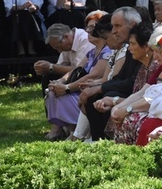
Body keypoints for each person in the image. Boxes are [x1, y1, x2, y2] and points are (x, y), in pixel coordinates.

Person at [44, 12, 112, 140]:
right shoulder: (92, 52)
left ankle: (78, 133)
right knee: (52, 92)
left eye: (92, 32)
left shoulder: (107, 51)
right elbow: (76, 70)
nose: (88, 34)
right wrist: (60, 82)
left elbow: (95, 74)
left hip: (92, 88)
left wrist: (67, 88)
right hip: (81, 87)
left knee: (62, 96)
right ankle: (70, 131)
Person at [97, 24, 162, 144]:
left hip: (156, 109)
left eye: (133, 44)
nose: (129, 48)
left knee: (130, 118)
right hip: (146, 106)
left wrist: (120, 105)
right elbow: (140, 93)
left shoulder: (156, 66)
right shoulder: (143, 67)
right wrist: (118, 106)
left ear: (145, 47)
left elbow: (149, 98)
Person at [81, 7, 143, 140]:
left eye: (117, 26)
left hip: (140, 91)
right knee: (95, 97)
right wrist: (98, 88)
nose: (114, 31)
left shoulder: (140, 45)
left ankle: (104, 140)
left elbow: (132, 82)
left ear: (132, 25)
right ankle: (97, 140)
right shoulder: (129, 46)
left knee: (106, 95)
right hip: (130, 89)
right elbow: (120, 77)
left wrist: (101, 88)